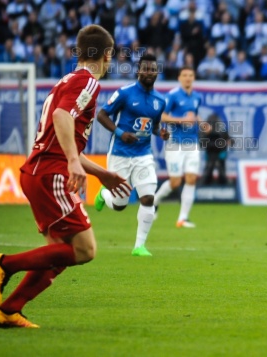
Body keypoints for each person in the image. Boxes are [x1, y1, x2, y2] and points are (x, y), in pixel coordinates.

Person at [0, 24, 132, 328]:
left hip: (37, 172)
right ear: (106, 55)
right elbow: (61, 117)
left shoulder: (66, 81)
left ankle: (9, 310)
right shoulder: (88, 83)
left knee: (59, 254)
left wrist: (100, 173)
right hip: (50, 173)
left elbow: (63, 132)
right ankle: (4, 264)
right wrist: (72, 163)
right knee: (85, 249)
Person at [94, 53, 170, 257]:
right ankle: (103, 194)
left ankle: (139, 246)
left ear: (157, 73)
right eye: (145, 69)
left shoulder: (160, 101)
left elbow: (153, 126)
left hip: (143, 154)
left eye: (153, 70)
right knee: (120, 205)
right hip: (120, 152)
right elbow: (101, 115)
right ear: (138, 71)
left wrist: (160, 132)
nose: (149, 73)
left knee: (148, 197)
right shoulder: (124, 93)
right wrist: (120, 133)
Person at [153, 67, 202, 228]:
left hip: (192, 143)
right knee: (175, 182)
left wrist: (202, 122)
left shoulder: (197, 97)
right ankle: (154, 202)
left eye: (190, 75)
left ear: (194, 78)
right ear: (179, 78)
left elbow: (194, 114)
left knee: (191, 178)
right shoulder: (173, 95)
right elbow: (162, 116)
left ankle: (183, 218)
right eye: (185, 75)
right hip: (175, 144)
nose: (188, 78)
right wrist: (182, 121)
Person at [200, 113, 229, 185]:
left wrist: (227, 142)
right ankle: (206, 183)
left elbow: (230, 140)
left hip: (220, 153)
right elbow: (202, 144)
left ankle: (223, 183)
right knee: (209, 169)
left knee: (221, 169)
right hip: (210, 153)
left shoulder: (222, 132)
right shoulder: (205, 132)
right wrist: (217, 144)